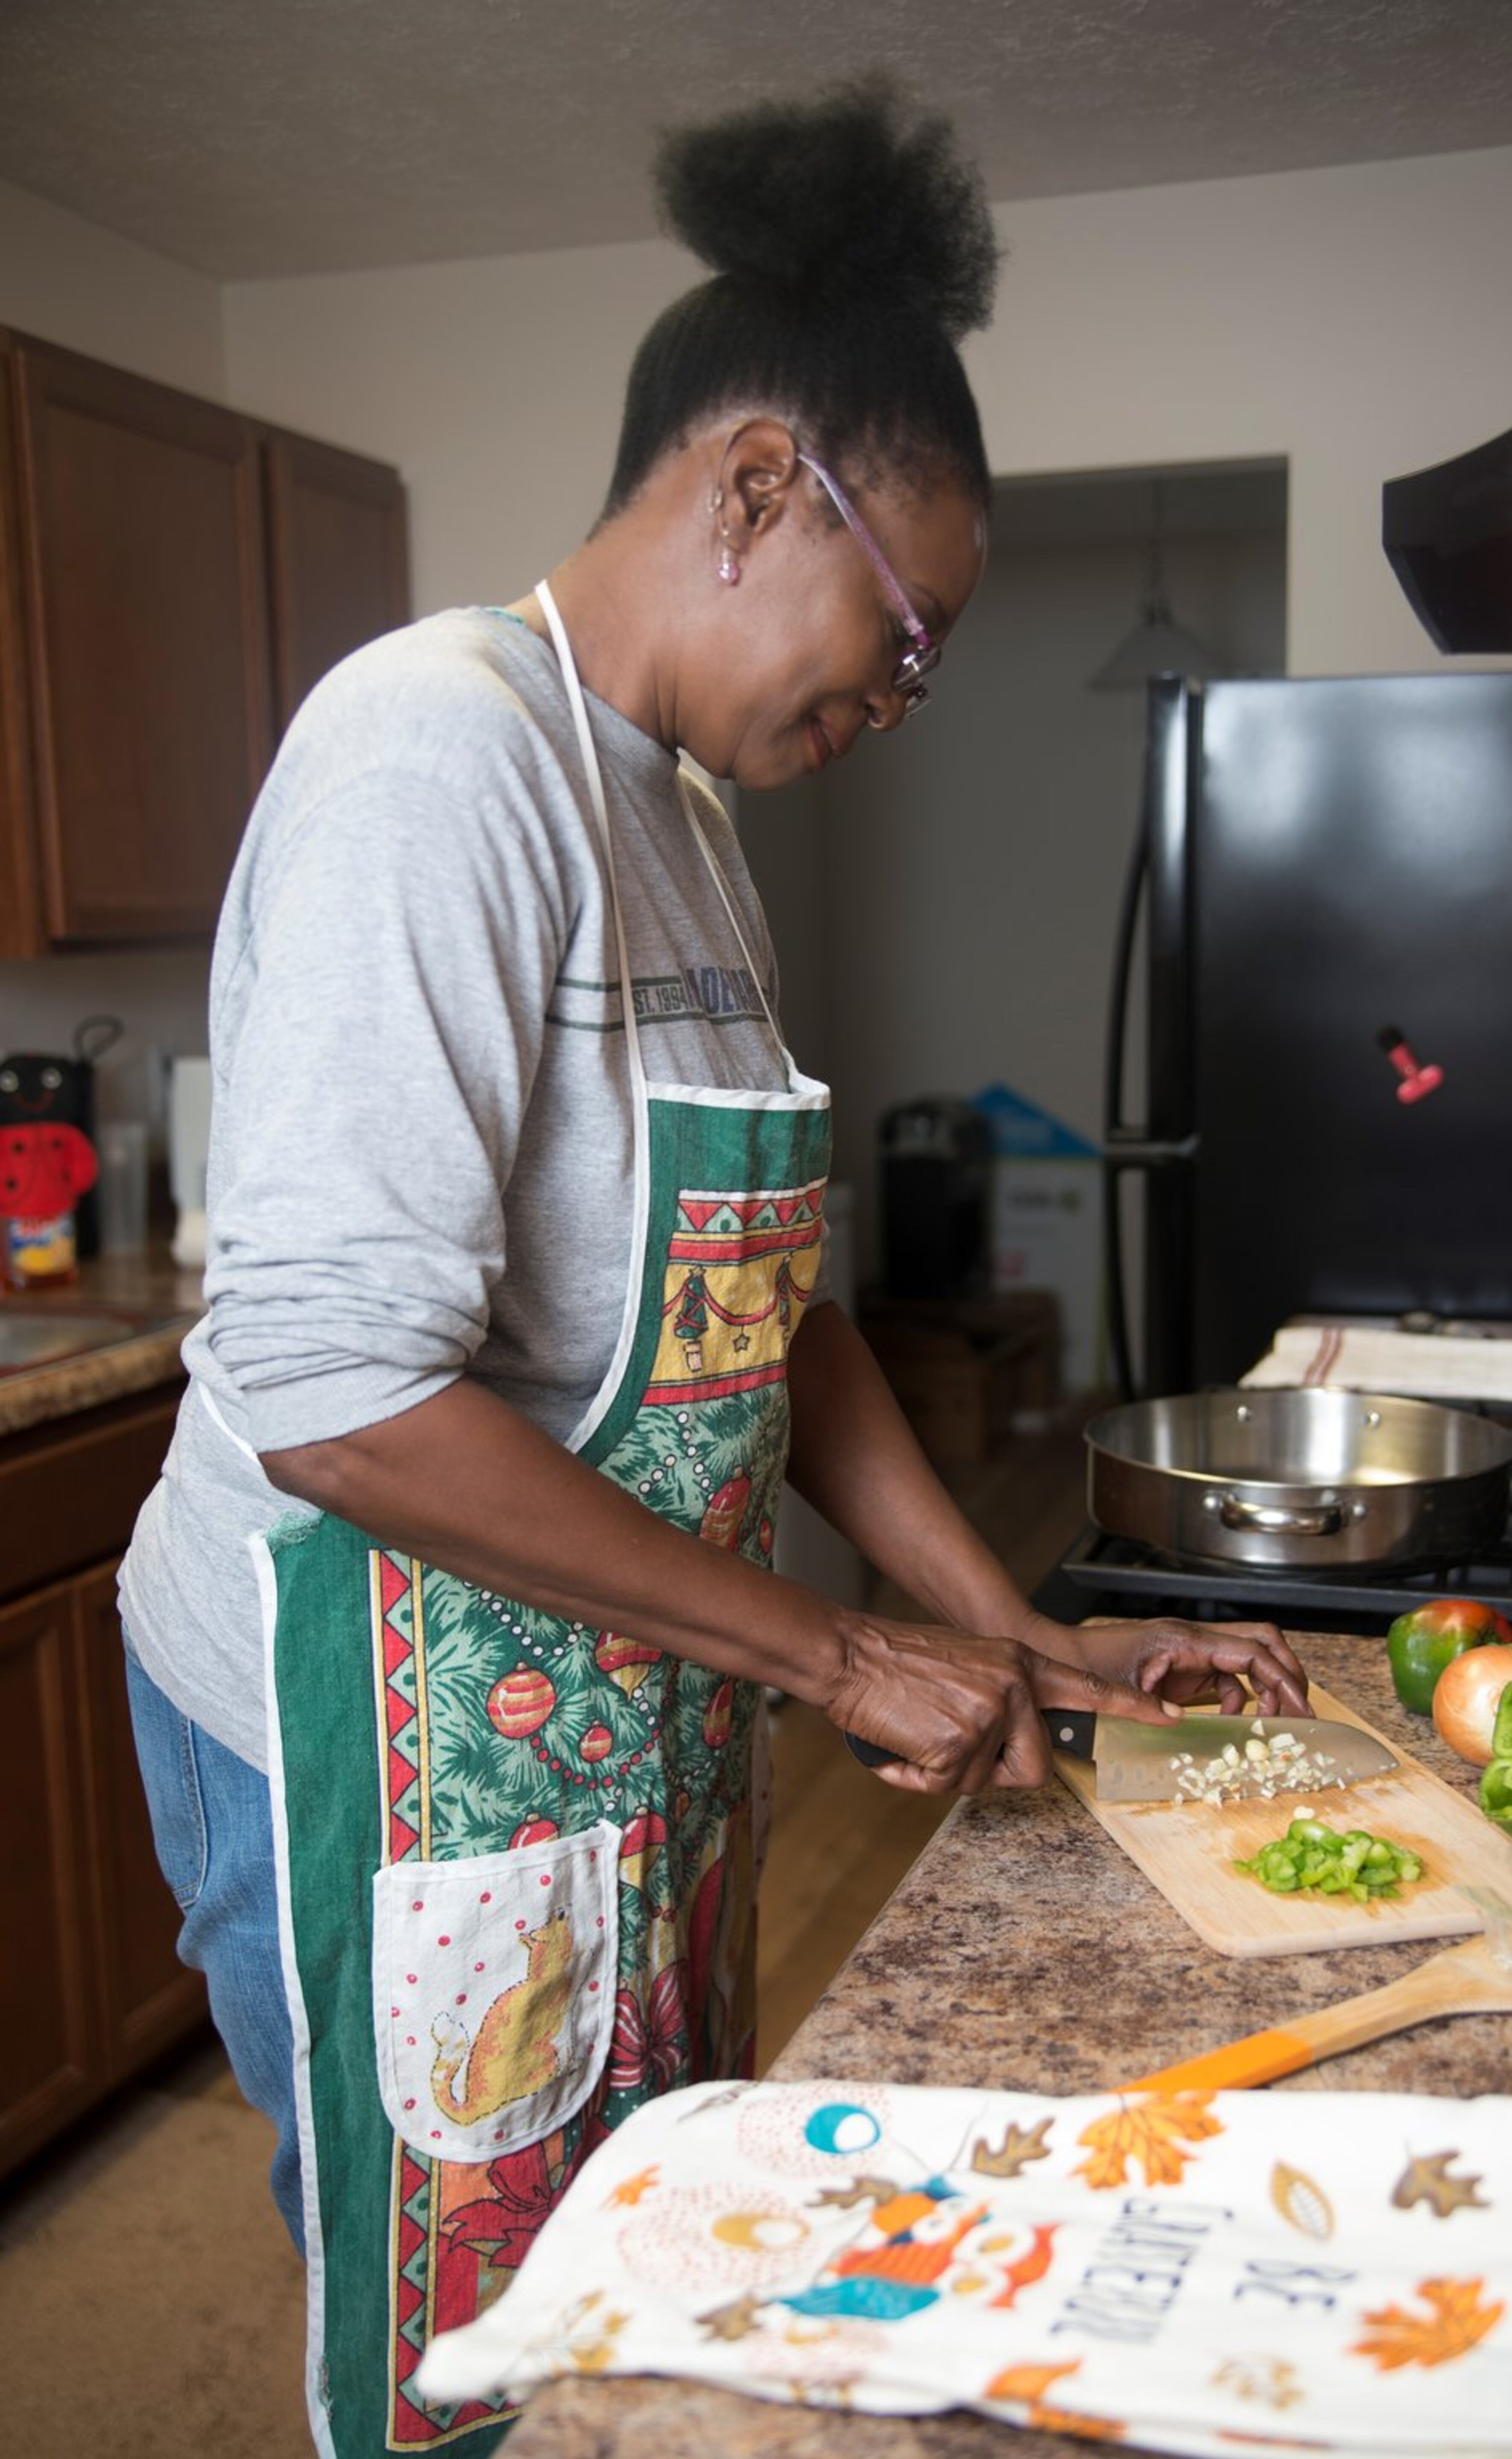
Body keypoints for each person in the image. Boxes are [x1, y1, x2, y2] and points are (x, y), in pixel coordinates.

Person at [119, 79, 1309, 2459]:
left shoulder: (677, 822)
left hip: (601, 1704)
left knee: (650, 2281)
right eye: (905, 637)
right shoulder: (432, 757)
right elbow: (339, 1387)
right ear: (765, 487)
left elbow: (784, 1314)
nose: (890, 704)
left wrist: (1005, 1628)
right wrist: (824, 1645)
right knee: (477, 2348)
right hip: (369, 1718)